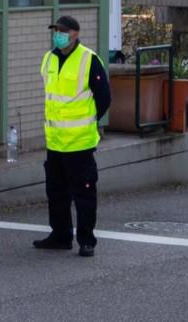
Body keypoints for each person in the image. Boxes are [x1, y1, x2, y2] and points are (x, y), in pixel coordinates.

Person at [32, 15, 111, 258]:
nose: (58, 34)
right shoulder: (49, 59)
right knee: (56, 192)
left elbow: (104, 97)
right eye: (55, 30)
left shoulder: (89, 60)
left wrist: (89, 123)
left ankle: (87, 241)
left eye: (62, 31)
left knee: (84, 193)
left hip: (79, 142)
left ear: (75, 33)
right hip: (55, 141)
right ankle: (60, 236)